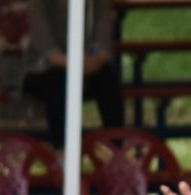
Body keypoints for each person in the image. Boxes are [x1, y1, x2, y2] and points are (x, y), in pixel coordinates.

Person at [25, 0, 120, 144]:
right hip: (44, 69)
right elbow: (44, 43)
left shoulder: (98, 4)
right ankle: (61, 149)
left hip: (87, 67)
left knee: (107, 80)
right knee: (58, 82)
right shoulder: (40, 4)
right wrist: (72, 63)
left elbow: (104, 41)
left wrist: (94, 61)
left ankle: (117, 146)